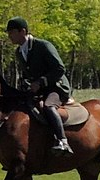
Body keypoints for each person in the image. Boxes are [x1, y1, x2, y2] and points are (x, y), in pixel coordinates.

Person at [5, 16, 72, 154]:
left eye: (11, 32)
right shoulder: (19, 52)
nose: (9, 36)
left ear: (22, 31)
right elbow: (28, 73)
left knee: (48, 106)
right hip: (39, 89)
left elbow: (60, 69)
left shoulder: (43, 45)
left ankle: (62, 141)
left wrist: (41, 82)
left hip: (57, 87)